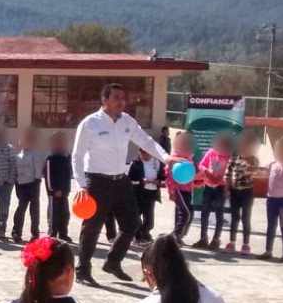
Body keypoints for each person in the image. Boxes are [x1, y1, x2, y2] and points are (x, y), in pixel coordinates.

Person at [71, 83, 175, 285]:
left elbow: (146, 141)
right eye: (117, 97)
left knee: (132, 224)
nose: (122, 101)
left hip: (121, 181)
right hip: (97, 182)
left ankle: (113, 262)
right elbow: (77, 155)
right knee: (92, 227)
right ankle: (83, 269)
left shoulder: (127, 121)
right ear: (105, 100)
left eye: (123, 97)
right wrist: (81, 185)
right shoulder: (90, 124)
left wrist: (166, 158)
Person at [258, 137, 283, 262]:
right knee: (271, 226)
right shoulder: (273, 165)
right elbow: (265, 176)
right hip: (271, 199)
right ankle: (268, 251)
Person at [192, 133, 234, 251]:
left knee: (219, 213)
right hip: (208, 187)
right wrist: (206, 171)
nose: (220, 147)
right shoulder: (211, 153)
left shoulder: (229, 157)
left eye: (223, 145)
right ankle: (203, 238)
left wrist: (222, 179)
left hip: (220, 188)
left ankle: (216, 239)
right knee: (204, 213)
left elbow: (230, 173)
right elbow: (201, 165)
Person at [224, 130, 260, 255]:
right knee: (234, 218)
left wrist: (248, 162)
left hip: (247, 193)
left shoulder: (253, 160)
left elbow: (254, 170)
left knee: (246, 218)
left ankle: (246, 244)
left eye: (247, 145)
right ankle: (232, 242)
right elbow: (227, 175)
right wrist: (227, 189)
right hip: (234, 192)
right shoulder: (233, 159)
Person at [12, 128, 44, 243]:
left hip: (33, 184)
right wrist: (16, 182)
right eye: (22, 139)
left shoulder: (34, 154)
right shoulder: (17, 156)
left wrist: (36, 181)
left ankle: (35, 234)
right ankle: (16, 232)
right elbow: (15, 171)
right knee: (21, 207)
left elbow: (38, 168)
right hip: (21, 185)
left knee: (34, 210)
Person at [167, 131, 196, 243]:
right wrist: (172, 191)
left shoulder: (188, 157)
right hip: (178, 189)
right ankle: (175, 235)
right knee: (185, 213)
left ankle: (178, 236)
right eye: (184, 143)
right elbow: (169, 174)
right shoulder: (174, 158)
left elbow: (190, 173)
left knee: (187, 212)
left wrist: (198, 180)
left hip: (188, 189)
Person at [130, 148, 164, 245]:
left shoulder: (157, 162)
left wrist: (159, 181)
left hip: (152, 192)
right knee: (136, 215)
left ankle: (145, 235)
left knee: (149, 216)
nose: (147, 156)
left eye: (149, 154)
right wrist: (141, 181)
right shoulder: (136, 163)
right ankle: (138, 236)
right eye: (144, 154)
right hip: (138, 192)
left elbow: (162, 176)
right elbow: (130, 179)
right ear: (140, 153)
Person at [44, 131, 73, 242]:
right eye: (57, 142)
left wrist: (66, 189)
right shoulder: (50, 159)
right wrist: (54, 190)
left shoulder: (67, 157)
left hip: (65, 192)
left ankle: (63, 233)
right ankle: (52, 233)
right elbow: (48, 176)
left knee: (65, 214)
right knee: (53, 214)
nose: (60, 144)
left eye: (62, 142)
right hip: (54, 193)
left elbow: (68, 174)